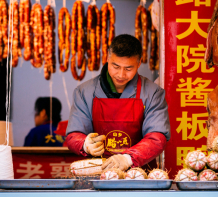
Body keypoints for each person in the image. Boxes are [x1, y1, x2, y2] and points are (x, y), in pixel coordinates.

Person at [66, 34, 170, 171]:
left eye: (128, 69)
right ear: (107, 58)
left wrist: (127, 158)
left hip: (139, 175)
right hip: (98, 175)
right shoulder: (84, 92)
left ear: (139, 64)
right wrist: (85, 144)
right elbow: (74, 134)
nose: (121, 75)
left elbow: (157, 137)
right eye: (115, 66)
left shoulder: (153, 93)